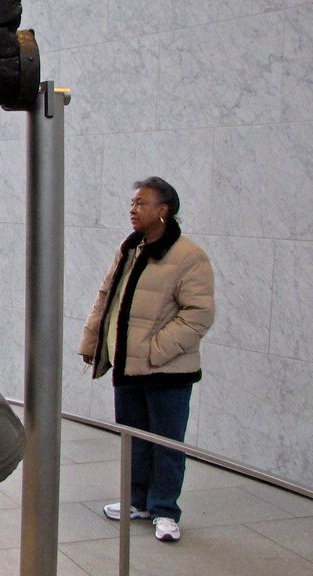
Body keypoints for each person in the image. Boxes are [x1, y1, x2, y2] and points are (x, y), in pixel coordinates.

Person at [78, 177, 214, 543]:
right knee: (133, 438)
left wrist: (155, 350)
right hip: (128, 366)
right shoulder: (130, 249)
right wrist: (94, 341)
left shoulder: (188, 256)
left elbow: (198, 315)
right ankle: (137, 500)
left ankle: (165, 510)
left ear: (163, 210)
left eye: (141, 203)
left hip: (167, 370)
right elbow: (107, 296)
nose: (133, 209)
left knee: (167, 442)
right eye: (132, 203)